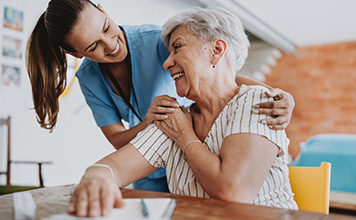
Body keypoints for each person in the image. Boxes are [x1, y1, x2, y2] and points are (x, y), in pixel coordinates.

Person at [26, 0, 295, 193]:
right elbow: (116, 149)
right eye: (93, 46)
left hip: (189, 151)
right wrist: (150, 124)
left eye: (107, 28)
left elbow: (217, 77)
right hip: (157, 159)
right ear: (77, 54)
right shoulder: (90, 78)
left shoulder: (158, 39)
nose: (110, 44)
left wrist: (274, 94)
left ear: (103, 10)